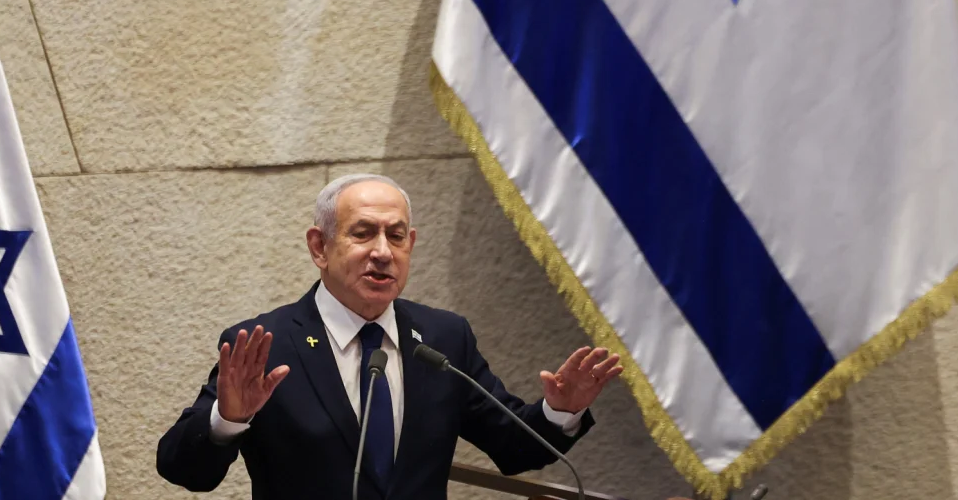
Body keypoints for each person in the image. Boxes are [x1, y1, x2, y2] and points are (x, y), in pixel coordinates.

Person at [156, 173, 624, 499]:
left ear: (411, 245)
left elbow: (514, 446)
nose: (383, 252)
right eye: (363, 234)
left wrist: (561, 410)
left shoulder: (443, 337)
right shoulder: (264, 344)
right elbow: (182, 469)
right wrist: (228, 420)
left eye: (396, 236)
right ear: (320, 247)